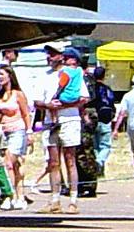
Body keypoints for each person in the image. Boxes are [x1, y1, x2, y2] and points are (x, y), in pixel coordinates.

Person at [40, 47, 86, 214]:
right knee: (53, 162)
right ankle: (54, 199)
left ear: (62, 56)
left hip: (69, 120)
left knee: (70, 159)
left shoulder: (74, 73)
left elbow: (83, 98)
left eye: (53, 54)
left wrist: (65, 105)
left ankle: (73, 200)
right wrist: (47, 105)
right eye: (48, 54)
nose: (49, 57)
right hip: (50, 121)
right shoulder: (45, 76)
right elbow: (37, 100)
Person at [87, 64, 117, 178]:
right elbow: (112, 103)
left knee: (95, 146)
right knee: (105, 146)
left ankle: (97, 166)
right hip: (106, 119)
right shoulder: (107, 89)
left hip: (93, 119)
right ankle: (99, 162)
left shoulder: (91, 89)